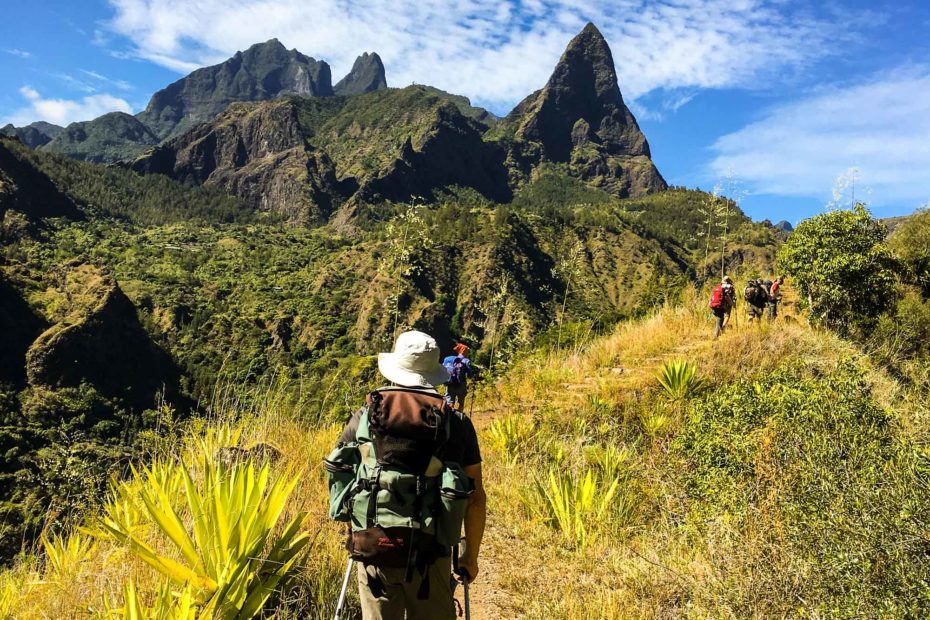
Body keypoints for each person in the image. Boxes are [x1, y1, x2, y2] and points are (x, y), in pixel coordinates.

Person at [331, 330, 486, 620]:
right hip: (431, 553)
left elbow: (343, 476)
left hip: (374, 548)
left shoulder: (364, 417)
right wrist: (470, 559)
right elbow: (476, 499)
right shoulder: (457, 424)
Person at [442, 343, 475, 411]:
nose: (468, 353)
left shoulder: (450, 359)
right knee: (461, 403)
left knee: (450, 404)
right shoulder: (466, 361)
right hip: (461, 385)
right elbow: (469, 375)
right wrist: (473, 378)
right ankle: (458, 419)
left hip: (450, 384)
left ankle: (449, 418)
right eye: (467, 351)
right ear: (464, 351)